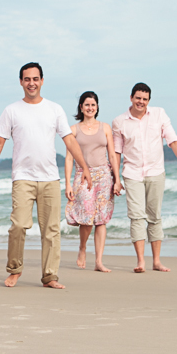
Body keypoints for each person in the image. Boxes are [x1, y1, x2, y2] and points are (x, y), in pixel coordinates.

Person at [0, 62, 91, 290]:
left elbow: (69, 140)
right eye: (27, 79)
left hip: (50, 178)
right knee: (18, 226)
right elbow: (0, 141)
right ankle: (15, 269)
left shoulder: (55, 109)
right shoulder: (11, 110)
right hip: (22, 177)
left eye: (35, 79)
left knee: (51, 231)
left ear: (42, 81)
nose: (31, 83)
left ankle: (50, 276)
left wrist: (84, 168)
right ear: (21, 82)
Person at [111, 82, 177, 273]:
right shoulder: (119, 121)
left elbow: (172, 140)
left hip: (156, 172)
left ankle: (156, 261)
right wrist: (116, 179)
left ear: (149, 100)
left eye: (145, 99)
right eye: (138, 98)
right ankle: (141, 261)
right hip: (132, 174)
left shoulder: (159, 114)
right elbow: (116, 152)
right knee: (136, 217)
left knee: (154, 217)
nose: (141, 102)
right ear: (131, 98)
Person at [64, 91, 121, 273]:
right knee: (87, 217)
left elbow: (112, 154)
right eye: (87, 105)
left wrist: (117, 179)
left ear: (97, 107)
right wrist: (67, 184)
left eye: (93, 105)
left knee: (101, 219)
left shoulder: (105, 127)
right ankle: (82, 248)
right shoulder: (73, 130)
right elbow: (69, 159)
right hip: (83, 175)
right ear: (81, 107)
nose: (90, 108)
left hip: (104, 175)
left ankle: (98, 261)